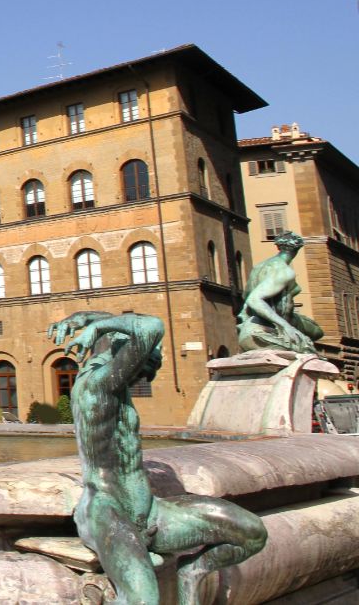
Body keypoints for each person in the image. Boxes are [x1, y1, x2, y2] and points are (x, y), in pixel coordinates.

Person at [49, 312, 266, 604]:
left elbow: (139, 329)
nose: (156, 357)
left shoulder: (115, 385)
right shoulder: (97, 386)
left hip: (150, 512)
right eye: (151, 353)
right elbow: (152, 326)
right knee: (143, 600)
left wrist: (86, 319)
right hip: (106, 511)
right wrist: (99, 326)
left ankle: (192, 572)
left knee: (252, 533)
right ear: (123, 348)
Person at [236, 231, 322, 354]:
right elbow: (254, 299)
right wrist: (285, 326)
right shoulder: (284, 271)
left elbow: (246, 297)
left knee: (314, 329)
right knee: (315, 335)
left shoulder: (259, 267)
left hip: (253, 323)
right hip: (267, 326)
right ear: (298, 248)